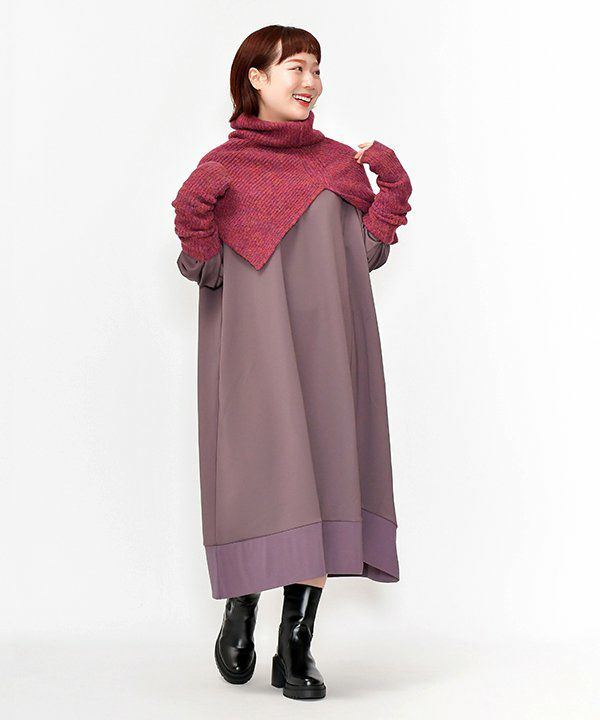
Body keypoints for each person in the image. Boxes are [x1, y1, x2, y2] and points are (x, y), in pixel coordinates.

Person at [171, 25, 412, 701]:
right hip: (253, 351)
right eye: (295, 68)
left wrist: (391, 185)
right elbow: (204, 268)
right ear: (256, 77)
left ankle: (296, 646)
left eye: (316, 69)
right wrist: (196, 207)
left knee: (327, 474)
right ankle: (242, 604)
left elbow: (365, 253)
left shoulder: (337, 165)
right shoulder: (224, 167)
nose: (310, 82)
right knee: (257, 471)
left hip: (329, 347)